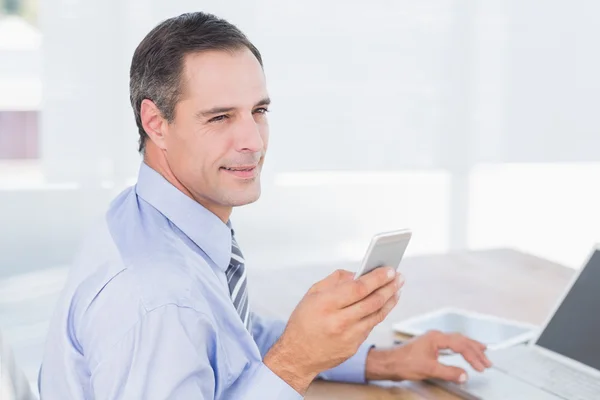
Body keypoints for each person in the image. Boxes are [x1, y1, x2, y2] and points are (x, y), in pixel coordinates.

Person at [39, 12, 491, 399]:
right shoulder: (158, 301)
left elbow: (232, 339)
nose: (254, 141)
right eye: (220, 118)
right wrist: (296, 360)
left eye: (258, 111)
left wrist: (387, 361)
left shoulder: (151, 220)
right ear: (156, 122)